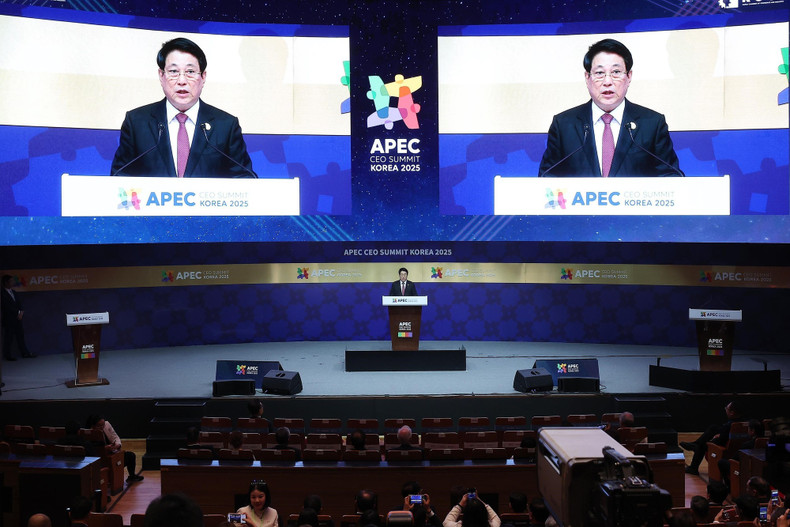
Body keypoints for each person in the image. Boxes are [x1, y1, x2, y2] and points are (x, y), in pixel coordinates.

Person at [111, 37, 255, 178]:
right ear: (161, 76)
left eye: (190, 72)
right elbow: (119, 176)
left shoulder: (226, 125)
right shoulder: (136, 122)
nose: (182, 81)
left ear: (203, 77)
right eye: (173, 72)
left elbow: (244, 178)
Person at [538, 38, 682, 178]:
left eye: (616, 72)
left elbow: (671, 177)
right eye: (600, 73)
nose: (608, 81)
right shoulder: (564, 124)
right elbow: (547, 178)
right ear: (587, 78)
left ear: (629, 76)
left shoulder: (652, 123)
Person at [680, 400, 743, 475]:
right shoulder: (743, 423)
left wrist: (714, 438)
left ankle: (693, 467)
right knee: (713, 428)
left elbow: (721, 440)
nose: (725, 410)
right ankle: (695, 444)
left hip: (723, 447)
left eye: (727, 408)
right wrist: (720, 434)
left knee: (702, 445)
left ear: (732, 413)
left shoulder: (729, 426)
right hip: (736, 446)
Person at [86, 414, 144, 483]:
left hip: (112, 453)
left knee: (130, 455)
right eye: (99, 426)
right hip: (101, 459)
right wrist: (104, 448)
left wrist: (117, 445)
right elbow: (92, 450)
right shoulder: (88, 433)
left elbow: (115, 437)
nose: (102, 427)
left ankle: (132, 476)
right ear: (93, 426)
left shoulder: (107, 425)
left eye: (103, 424)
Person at [2, 274, 35, 360]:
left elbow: (19, 304)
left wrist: (21, 312)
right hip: (9, 319)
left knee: (20, 336)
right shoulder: (2, 293)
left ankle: (25, 353)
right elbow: (6, 306)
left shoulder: (14, 292)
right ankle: (7, 355)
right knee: (9, 337)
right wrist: (17, 312)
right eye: (11, 281)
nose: (13, 282)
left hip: (18, 319)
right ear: (6, 282)